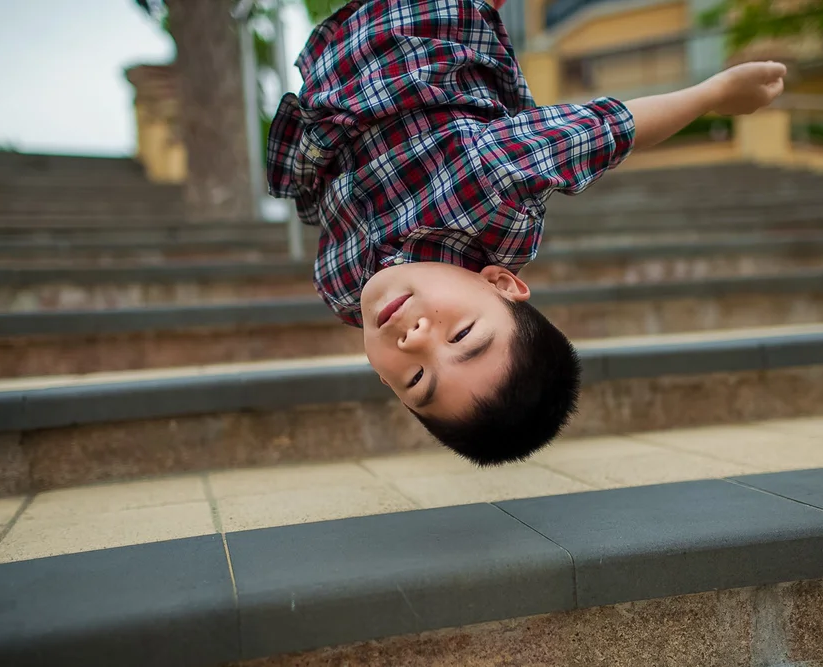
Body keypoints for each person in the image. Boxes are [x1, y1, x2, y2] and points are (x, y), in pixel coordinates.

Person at [266, 0, 786, 465]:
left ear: (385, 381)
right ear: (500, 283)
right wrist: (713, 94)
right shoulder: (491, 192)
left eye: (416, 379)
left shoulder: (342, 288)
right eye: (463, 335)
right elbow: (605, 131)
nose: (416, 340)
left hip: (339, 44)